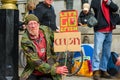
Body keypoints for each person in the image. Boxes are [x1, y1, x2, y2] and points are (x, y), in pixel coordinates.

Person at [20, 14, 68, 80]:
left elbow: (57, 39)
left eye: (35, 23)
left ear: (38, 24)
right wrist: (55, 70)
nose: (33, 26)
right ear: (26, 26)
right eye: (30, 24)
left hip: (50, 66)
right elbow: (35, 62)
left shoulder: (46, 30)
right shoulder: (25, 41)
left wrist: (60, 35)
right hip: (34, 70)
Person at [90, 0, 119, 80]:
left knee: (106, 52)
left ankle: (103, 70)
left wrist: (108, 2)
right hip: (100, 30)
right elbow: (92, 10)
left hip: (109, 29)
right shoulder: (95, 1)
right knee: (97, 51)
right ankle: (96, 71)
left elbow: (116, 8)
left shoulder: (109, 1)